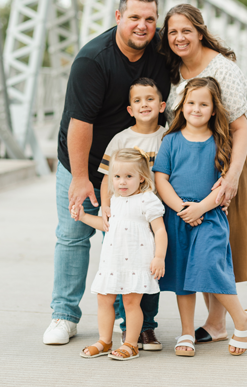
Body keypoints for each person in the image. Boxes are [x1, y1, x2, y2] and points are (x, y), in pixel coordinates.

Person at [43, 0, 170, 346]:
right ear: (118, 17)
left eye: (149, 19)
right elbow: (79, 122)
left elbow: (194, 57)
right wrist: (81, 178)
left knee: (138, 238)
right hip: (84, 160)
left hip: (137, 169)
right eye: (134, 18)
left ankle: (134, 320)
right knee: (73, 234)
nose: (142, 26)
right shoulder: (93, 60)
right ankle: (64, 315)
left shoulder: (161, 50)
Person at [159, 3, 247, 344]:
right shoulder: (173, 71)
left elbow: (241, 127)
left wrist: (232, 176)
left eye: (186, 30)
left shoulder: (223, 69)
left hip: (227, 162)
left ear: (200, 32)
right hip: (187, 166)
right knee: (196, 246)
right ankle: (218, 322)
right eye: (173, 32)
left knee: (217, 244)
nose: (179, 37)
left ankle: (221, 320)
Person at [153, 77, 247, 356]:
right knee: (183, 277)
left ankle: (241, 321)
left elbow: (224, 183)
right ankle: (186, 332)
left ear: (213, 110)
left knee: (210, 267)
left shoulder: (221, 141)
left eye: (203, 104)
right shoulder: (171, 141)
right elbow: (161, 179)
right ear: (182, 106)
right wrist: (181, 209)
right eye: (191, 103)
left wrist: (200, 208)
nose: (196, 109)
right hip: (178, 218)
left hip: (209, 217)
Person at [71, 148, 167, 361]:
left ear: (141, 179)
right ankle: (104, 340)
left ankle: (131, 344)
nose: (122, 182)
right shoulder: (113, 200)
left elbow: (160, 230)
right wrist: (84, 216)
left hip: (136, 261)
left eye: (128, 176)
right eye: (117, 177)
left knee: (131, 304)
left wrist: (159, 257)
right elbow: (106, 226)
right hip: (112, 262)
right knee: (104, 301)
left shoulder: (147, 200)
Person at [98, 77, 166, 349]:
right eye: (137, 100)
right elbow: (106, 176)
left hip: (152, 216)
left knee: (147, 273)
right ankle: (125, 329)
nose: (144, 104)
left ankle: (146, 328)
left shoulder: (168, 136)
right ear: (130, 109)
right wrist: (106, 204)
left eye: (149, 99)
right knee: (116, 271)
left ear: (161, 105)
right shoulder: (121, 138)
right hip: (123, 214)